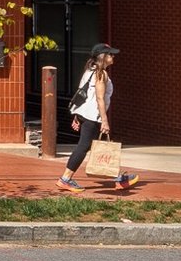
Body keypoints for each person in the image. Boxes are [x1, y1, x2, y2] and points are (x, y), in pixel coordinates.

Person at [59, 43, 139, 192]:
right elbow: (99, 98)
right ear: (102, 57)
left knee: (92, 147)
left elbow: (82, 94)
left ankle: (117, 177)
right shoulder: (101, 74)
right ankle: (65, 178)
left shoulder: (89, 70)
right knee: (85, 147)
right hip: (92, 116)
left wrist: (77, 115)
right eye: (110, 54)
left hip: (85, 114)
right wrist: (105, 120)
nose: (113, 56)